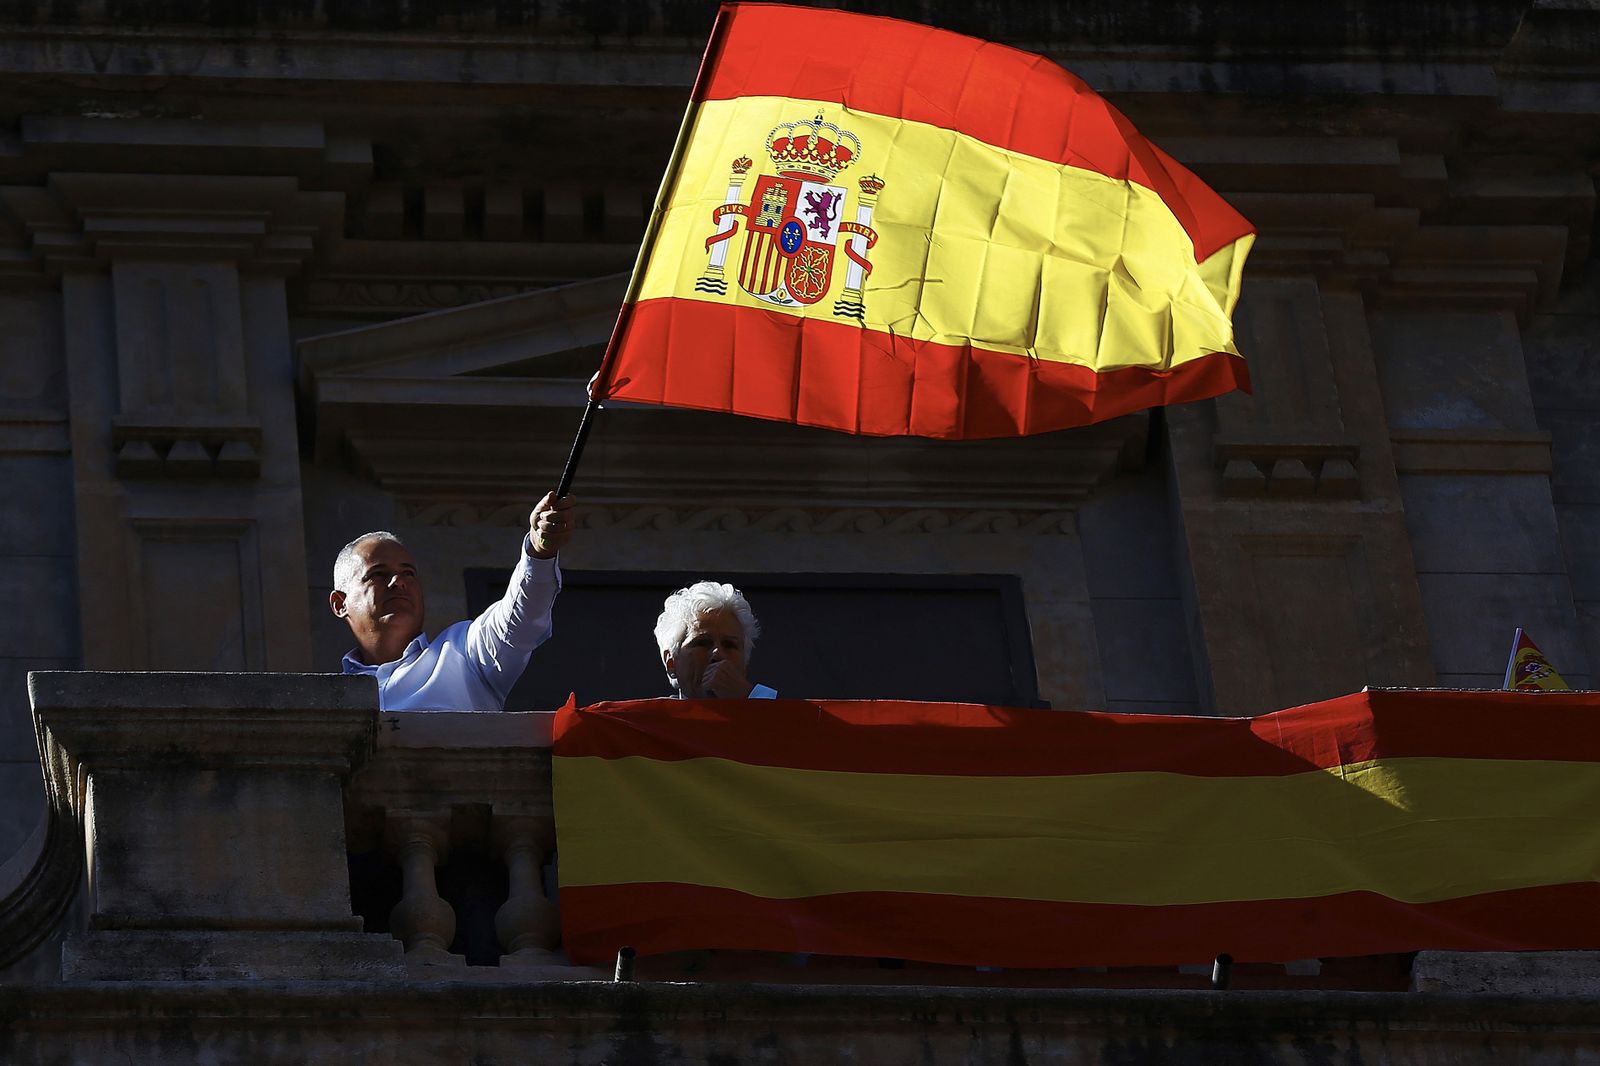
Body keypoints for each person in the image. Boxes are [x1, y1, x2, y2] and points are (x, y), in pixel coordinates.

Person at [331, 491, 575, 710]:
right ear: (340, 603)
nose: (399, 582)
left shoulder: (465, 653)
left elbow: (519, 618)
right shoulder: (327, 698)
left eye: (408, 573)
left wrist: (539, 552)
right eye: (378, 574)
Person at [654, 581, 777, 699]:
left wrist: (750, 698)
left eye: (729, 645)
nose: (717, 655)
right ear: (671, 662)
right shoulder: (649, 719)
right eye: (702, 643)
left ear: (744, 664)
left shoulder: (782, 718)